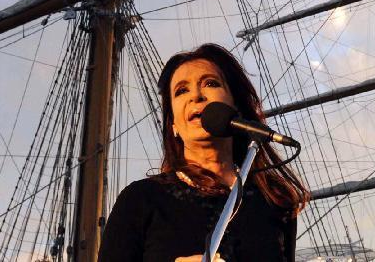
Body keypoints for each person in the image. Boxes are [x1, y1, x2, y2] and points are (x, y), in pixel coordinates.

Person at [98, 43, 309, 262]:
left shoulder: (274, 199)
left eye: (210, 83)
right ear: (173, 126)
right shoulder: (140, 200)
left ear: (236, 106)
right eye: (181, 91)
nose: (196, 96)